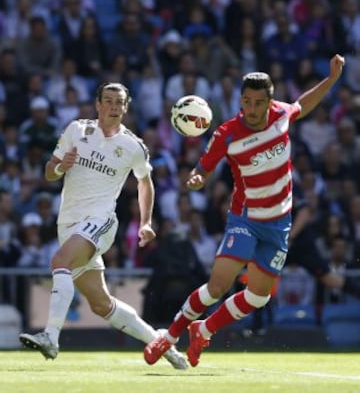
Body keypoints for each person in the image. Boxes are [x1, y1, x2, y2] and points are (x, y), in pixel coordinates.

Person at [144, 54, 345, 367]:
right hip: (246, 219)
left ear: (269, 100)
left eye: (257, 102)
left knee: (259, 296)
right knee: (218, 286)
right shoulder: (227, 133)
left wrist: (331, 80)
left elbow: (304, 103)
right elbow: (203, 168)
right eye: (245, 102)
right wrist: (197, 179)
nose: (250, 109)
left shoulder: (281, 114)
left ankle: (205, 329)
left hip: (279, 221)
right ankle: (167, 338)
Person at [18, 82, 187, 370]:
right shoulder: (76, 130)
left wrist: (145, 222)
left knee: (59, 261)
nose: (113, 106)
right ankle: (162, 345)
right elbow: (49, 172)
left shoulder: (133, 146)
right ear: (97, 104)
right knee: (101, 304)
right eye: (107, 100)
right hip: (68, 224)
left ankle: (51, 337)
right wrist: (61, 167)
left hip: (101, 221)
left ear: (126, 107)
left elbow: (145, 183)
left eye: (119, 102)